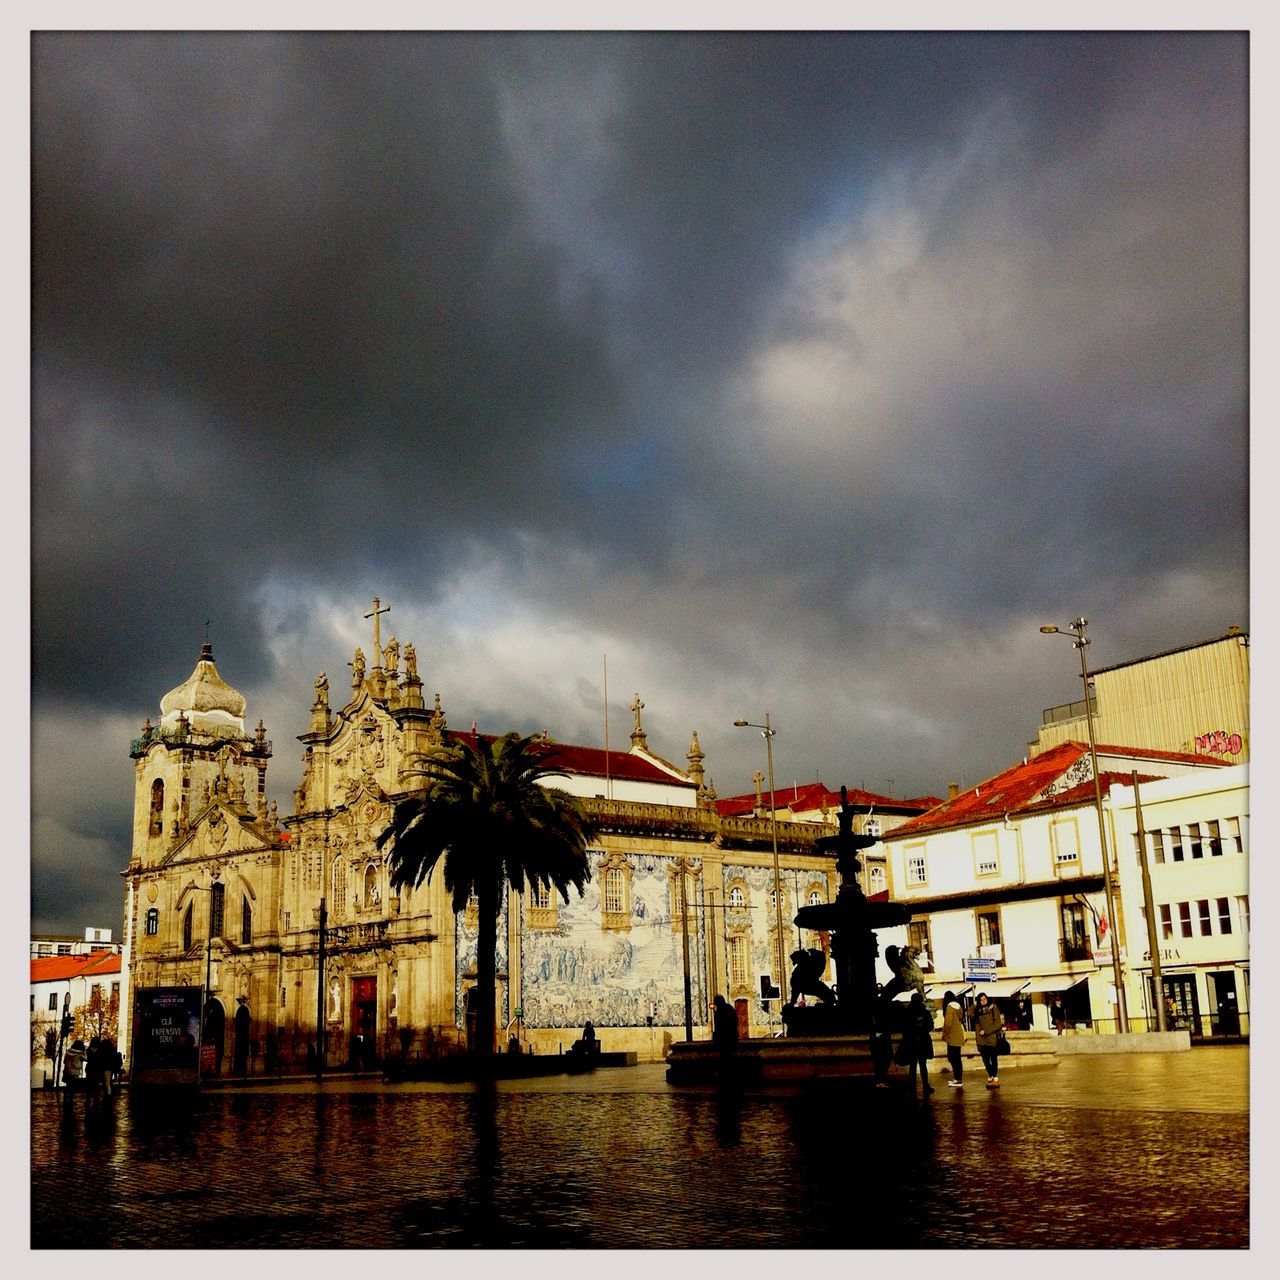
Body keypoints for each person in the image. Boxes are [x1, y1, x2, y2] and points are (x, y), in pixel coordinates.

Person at [903, 992, 935, 1094]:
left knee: (912, 1065)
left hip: (911, 1041)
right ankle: (925, 1085)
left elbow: (904, 1027)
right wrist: (923, 1030)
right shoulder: (924, 1011)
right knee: (922, 1064)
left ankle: (912, 1086)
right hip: (923, 1041)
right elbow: (930, 1025)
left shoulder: (907, 1011)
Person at [972, 991, 1004, 1086]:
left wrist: (987, 1031)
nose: (983, 1001)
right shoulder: (977, 1011)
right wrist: (974, 1004)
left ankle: (994, 1076)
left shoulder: (993, 1008)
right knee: (985, 1060)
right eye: (981, 1000)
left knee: (993, 1059)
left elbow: (998, 1024)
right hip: (981, 1040)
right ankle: (990, 1075)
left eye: (985, 999)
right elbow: (969, 1014)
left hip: (991, 1038)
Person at [941, 990, 966, 1088]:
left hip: (951, 1036)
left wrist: (944, 1034)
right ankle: (958, 1078)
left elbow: (948, 1023)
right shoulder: (959, 1007)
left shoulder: (949, 1008)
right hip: (958, 1035)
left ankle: (958, 1080)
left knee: (952, 1058)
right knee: (957, 1058)